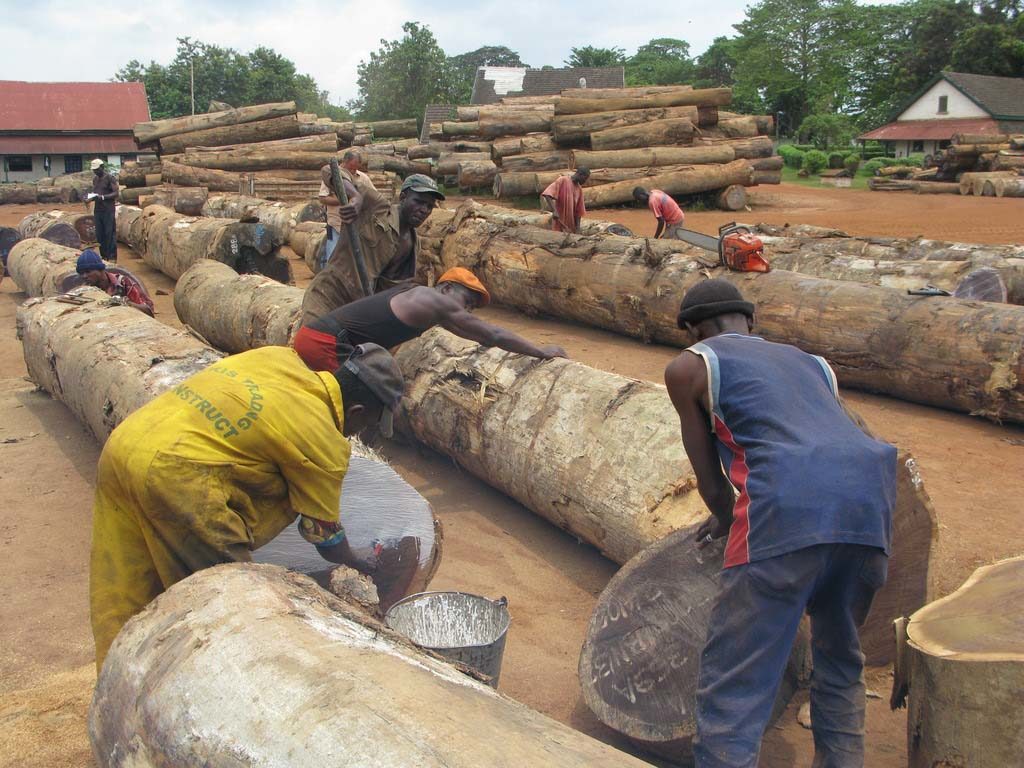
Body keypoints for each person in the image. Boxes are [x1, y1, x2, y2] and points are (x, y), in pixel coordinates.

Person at [663, 279, 897, 768]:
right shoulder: (814, 364)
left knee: (737, 680)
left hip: (784, 508)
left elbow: (712, 483)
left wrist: (724, 519)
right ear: (750, 320)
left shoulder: (690, 367)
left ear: (692, 331)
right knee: (839, 659)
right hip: (869, 508)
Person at [89, 342, 404, 669]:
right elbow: (322, 534)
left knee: (126, 588)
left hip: (127, 445)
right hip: (179, 481)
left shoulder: (279, 358)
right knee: (227, 610)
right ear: (356, 412)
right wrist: (361, 562)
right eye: (367, 425)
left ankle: (115, 676)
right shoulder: (325, 443)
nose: (360, 433)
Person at [294, 267, 567, 370]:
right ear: (446, 289)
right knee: (357, 399)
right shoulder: (432, 299)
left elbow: (479, 336)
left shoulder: (428, 304)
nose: (467, 311)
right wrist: (540, 351)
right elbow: (492, 334)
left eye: (471, 308)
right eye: (466, 302)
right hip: (326, 344)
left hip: (321, 338)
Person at [302, 174, 444, 326]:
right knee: (313, 337)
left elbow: (391, 290)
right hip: (329, 295)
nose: (424, 210)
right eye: (419, 202)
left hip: (358, 312)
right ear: (403, 197)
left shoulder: (413, 245)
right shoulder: (376, 206)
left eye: (429, 206)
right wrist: (356, 196)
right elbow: (330, 171)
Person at [74, 249, 154, 315]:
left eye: (88, 272)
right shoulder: (86, 290)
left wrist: (127, 303)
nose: (84, 276)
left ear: (101, 270)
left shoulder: (123, 283)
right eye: (81, 273)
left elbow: (149, 310)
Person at [540, 168, 590, 233]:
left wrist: (577, 228)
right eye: (585, 178)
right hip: (558, 224)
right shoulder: (563, 180)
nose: (585, 181)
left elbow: (579, 211)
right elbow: (547, 194)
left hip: (570, 226)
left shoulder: (579, 189)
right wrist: (554, 211)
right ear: (580, 174)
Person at [87, 159, 119, 262]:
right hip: (98, 210)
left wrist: (103, 197)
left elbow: (116, 193)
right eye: (94, 170)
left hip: (108, 210)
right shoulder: (95, 179)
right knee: (100, 234)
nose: (95, 172)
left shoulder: (110, 178)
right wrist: (90, 198)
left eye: (97, 169)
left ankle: (112, 256)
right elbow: (96, 193)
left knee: (109, 233)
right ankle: (104, 256)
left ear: (102, 167)